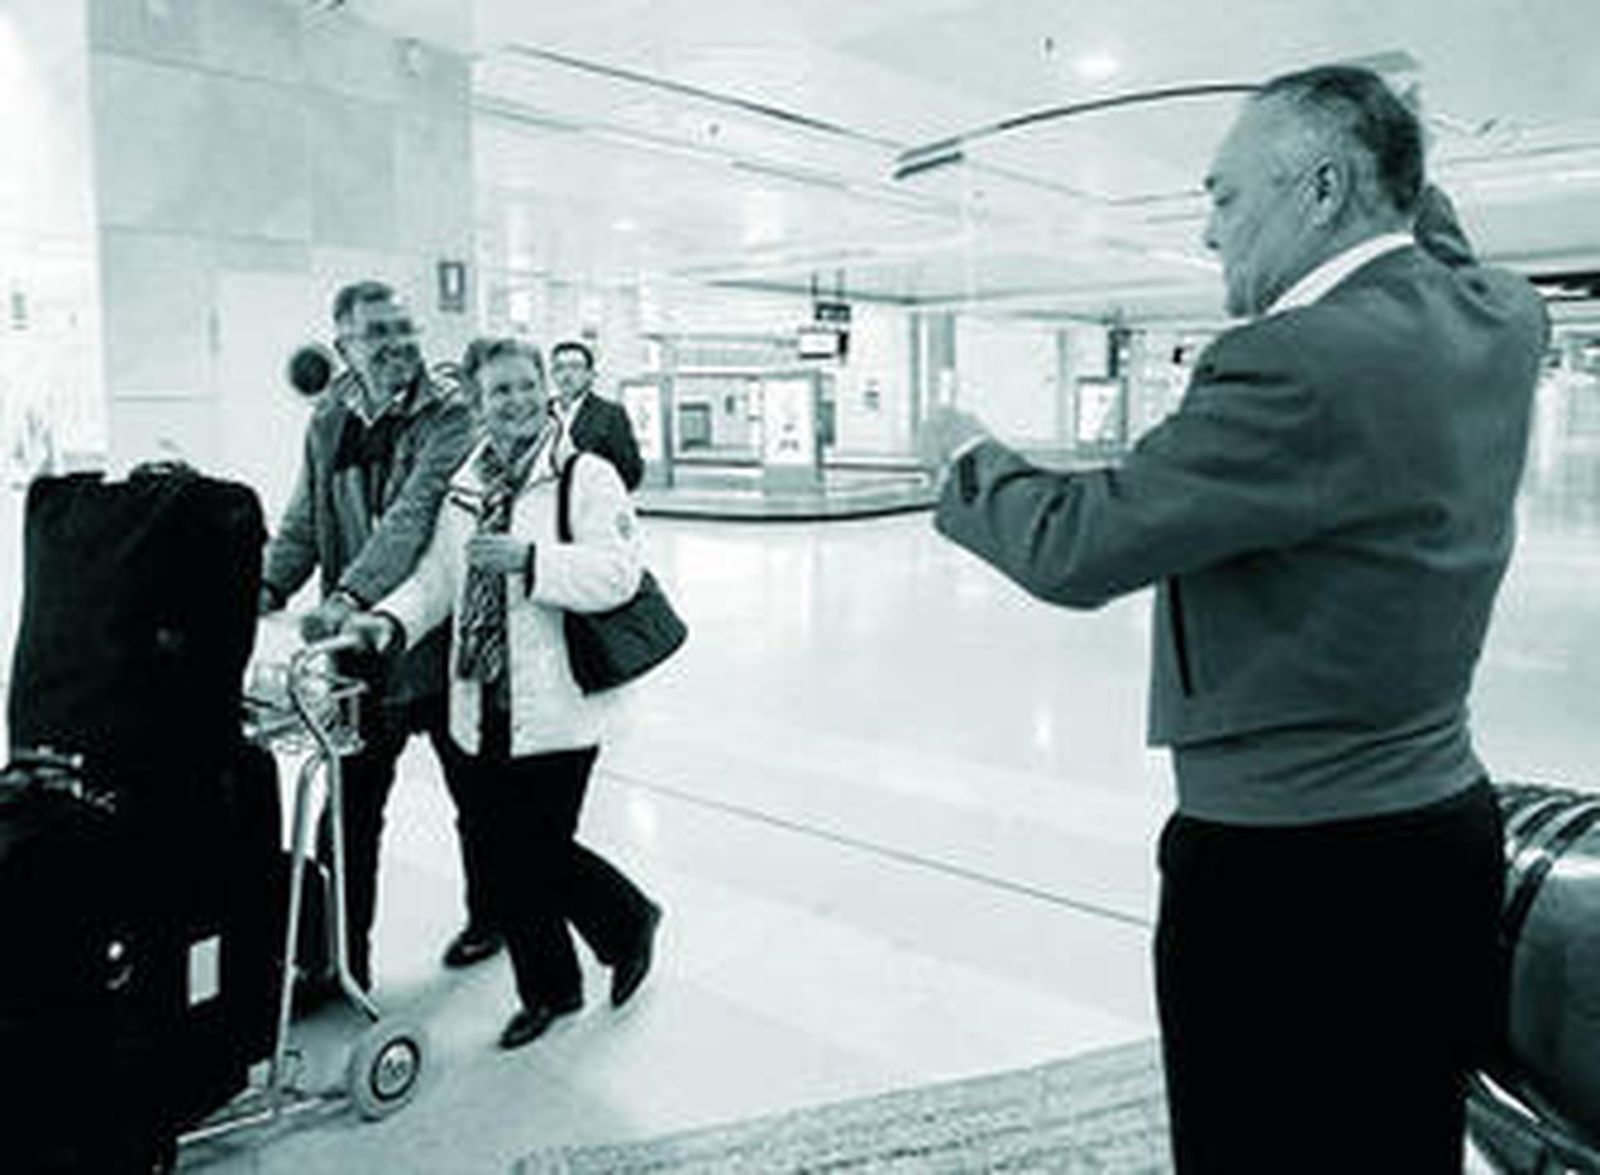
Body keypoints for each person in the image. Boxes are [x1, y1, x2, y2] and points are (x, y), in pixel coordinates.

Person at [915, 66, 1547, 1173]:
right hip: (1443, 835)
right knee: (1401, 1141)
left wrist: (969, 458)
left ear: (1322, 189)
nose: (1209, 233)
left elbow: (1080, 543)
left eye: (1223, 196)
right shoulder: (1498, 315)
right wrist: (1391, 139)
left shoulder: (1291, 362)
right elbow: (1428, 233)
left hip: (1290, 876)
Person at [344, 337, 663, 1050]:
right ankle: (559, 983)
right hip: (478, 697)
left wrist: (531, 560)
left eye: (524, 385)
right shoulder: (467, 482)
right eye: (498, 391)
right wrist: (388, 620)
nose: (514, 401)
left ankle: (620, 927)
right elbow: (438, 579)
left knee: (535, 852)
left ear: (545, 389)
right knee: (504, 853)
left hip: (557, 706)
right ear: (479, 404)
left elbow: (618, 574)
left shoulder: (584, 475)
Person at [259, 280, 474, 989]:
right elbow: (304, 518)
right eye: (377, 332)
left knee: (481, 806)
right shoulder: (329, 417)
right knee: (347, 815)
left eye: (404, 328)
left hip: (439, 644)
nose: (396, 344)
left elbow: (413, 519)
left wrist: (350, 595)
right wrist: (266, 587)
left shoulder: (450, 416)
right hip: (359, 657)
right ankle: (337, 964)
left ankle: (499, 917)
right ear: (344, 344)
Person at [549, 340, 645, 490]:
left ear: (590, 374)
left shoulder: (610, 415)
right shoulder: (542, 413)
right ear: (552, 374)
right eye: (559, 368)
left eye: (575, 367)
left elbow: (631, 473)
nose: (567, 375)